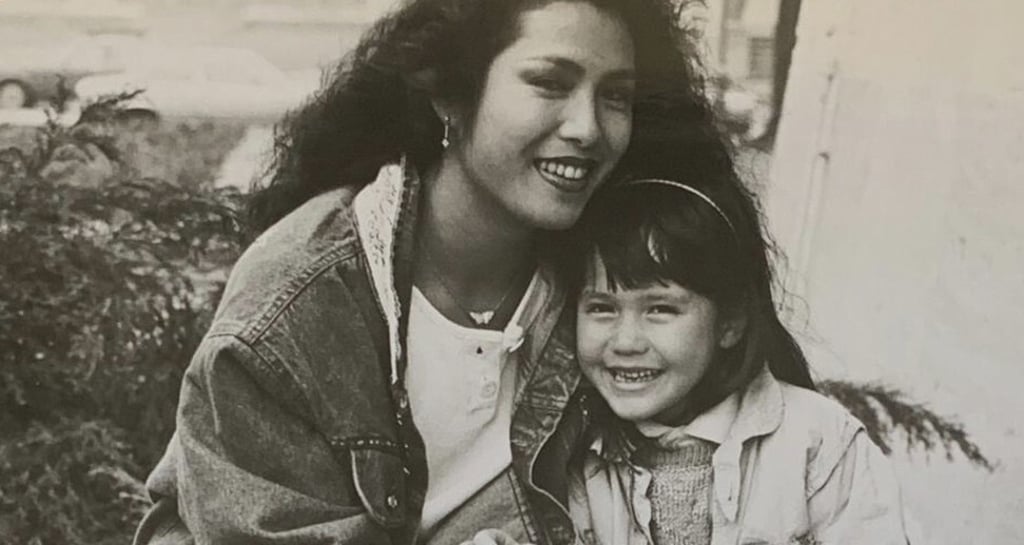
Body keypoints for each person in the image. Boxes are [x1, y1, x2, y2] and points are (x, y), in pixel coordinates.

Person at [132, 0, 729, 544]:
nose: (588, 128)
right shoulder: (296, 303)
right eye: (550, 83)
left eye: (616, 96)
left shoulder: (614, 276)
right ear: (451, 95)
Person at [561, 177, 917, 544]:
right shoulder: (578, 455)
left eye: (660, 309)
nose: (626, 342)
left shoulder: (818, 443)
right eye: (601, 308)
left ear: (730, 322)